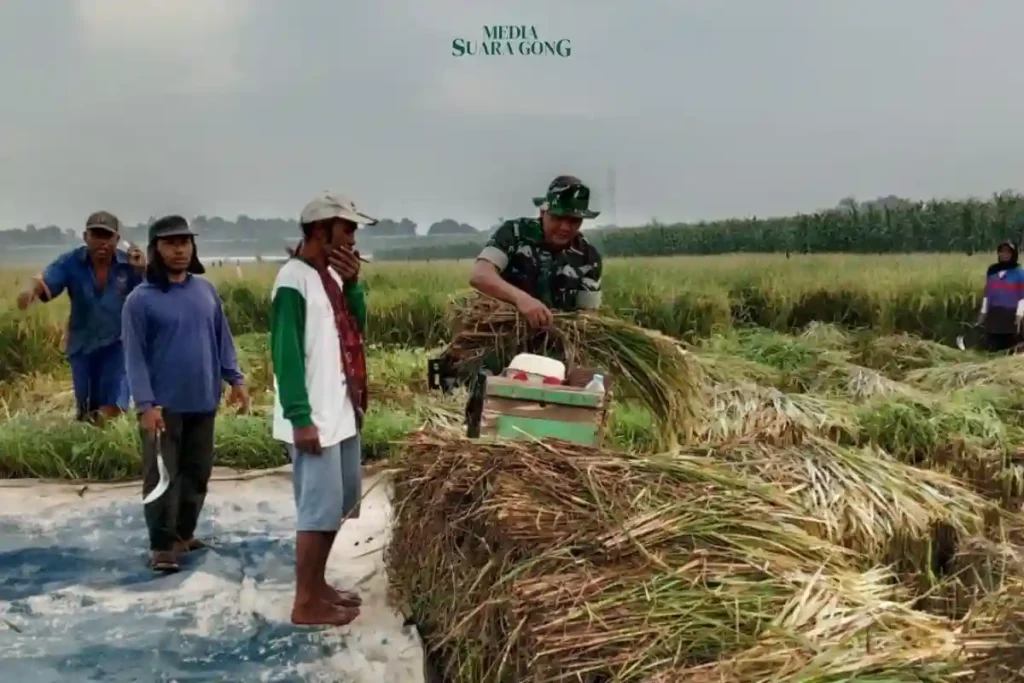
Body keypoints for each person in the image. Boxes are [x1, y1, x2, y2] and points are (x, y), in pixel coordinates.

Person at [122, 215, 249, 573]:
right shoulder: (139, 301)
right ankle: (161, 545)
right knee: (163, 475)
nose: (179, 249)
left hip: (202, 401)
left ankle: (183, 534)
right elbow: (134, 358)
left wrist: (235, 380)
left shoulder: (205, 292)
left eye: (185, 242)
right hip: (163, 407)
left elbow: (221, 339)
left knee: (197, 472)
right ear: (155, 250)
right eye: (170, 243)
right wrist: (145, 404)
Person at [270, 191, 372, 626]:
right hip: (314, 415)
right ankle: (305, 601)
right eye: (345, 229)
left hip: (340, 409)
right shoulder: (293, 279)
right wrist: (299, 417)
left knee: (337, 504)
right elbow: (286, 353)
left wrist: (353, 286)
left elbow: (355, 332)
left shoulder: (328, 277)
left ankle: (319, 586)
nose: (351, 239)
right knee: (316, 510)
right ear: (318, 230)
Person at [467, 175, 604, 385]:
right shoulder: (515, 233)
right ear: (543, 212)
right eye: (558, 218)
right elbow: (480, 275)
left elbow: (586, 321)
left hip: (551, 363)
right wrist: (522, 300)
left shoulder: (588, 257)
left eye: (574, 220)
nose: (565, 227)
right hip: (500, 347)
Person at [16, 211, 146, 423]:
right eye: (96, 235)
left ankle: (111, 442)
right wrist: (29, 292)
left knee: (112, 407)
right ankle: (93, 447)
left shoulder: (130, 266)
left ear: (117, 240)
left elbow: (151, 295)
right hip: (82, 345)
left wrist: (143, 270)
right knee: (86, 410)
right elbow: (45, 281)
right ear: (85, 237)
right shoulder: (71, 262)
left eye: (107, 236)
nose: (102, 242)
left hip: (118, 345)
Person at [978, 240, 1024, 352]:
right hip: (994, 315)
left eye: (1008, 252)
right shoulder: (992, 271)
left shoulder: (1019, 273)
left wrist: (1019, 316)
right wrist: (983, 313)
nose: (1004, 254)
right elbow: (987, 294)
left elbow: (1022, 297)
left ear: (1013, 254)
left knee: (1010, 347)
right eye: (1002, 252)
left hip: (1010, 316)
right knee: (992, 347)